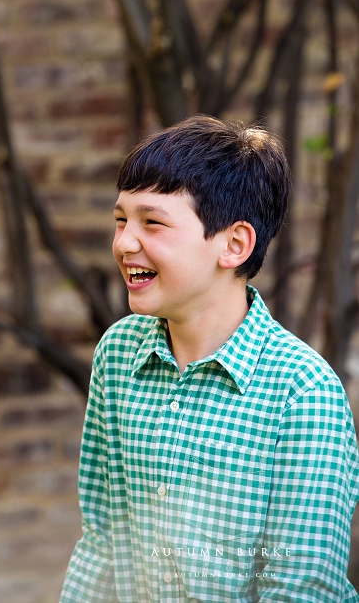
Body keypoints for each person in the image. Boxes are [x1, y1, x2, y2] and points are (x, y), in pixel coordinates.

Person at [59, 115, 359, 602]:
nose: (123, 243)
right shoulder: (117, 354)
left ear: (234, 245)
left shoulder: (302, 393)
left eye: (152, 223)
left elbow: (299, 590)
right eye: (120, 220)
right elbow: (103, 545)